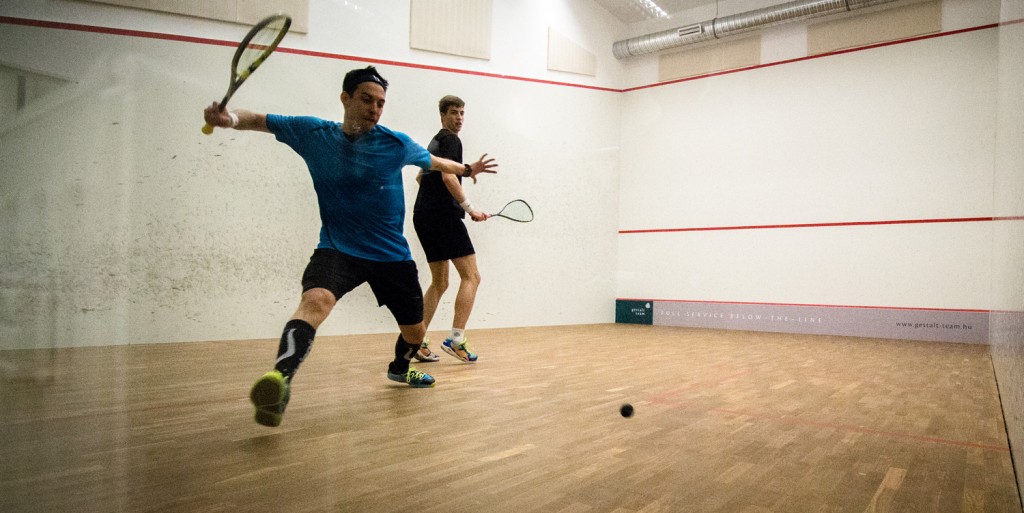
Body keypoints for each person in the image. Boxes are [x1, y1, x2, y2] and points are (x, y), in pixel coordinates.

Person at [202, 66, 497, 427]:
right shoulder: (314, 133)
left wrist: (467, 170)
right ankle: (280, 380)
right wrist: (229, 119)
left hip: (391, 255)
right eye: (366, 99)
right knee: (315, 301)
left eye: (381, 103)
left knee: (416, 333)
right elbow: (259, 120)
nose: (375, 109)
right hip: (338, 248)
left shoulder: (395, 143)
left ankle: (400, 368)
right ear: (345, 98)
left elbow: (434, 163)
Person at [411, 95, 487, 364]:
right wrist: (469, 208)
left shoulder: (434, 142)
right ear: (442, 115)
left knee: (440, 282)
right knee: (472, 276)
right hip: (443, 218)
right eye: (454, 112)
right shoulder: (451, 140)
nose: (459, 118)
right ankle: (456, 339)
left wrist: (437, 201)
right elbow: (448, 177)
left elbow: (420, 177)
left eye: (462, 113)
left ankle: (415, 341)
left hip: (423, 216)